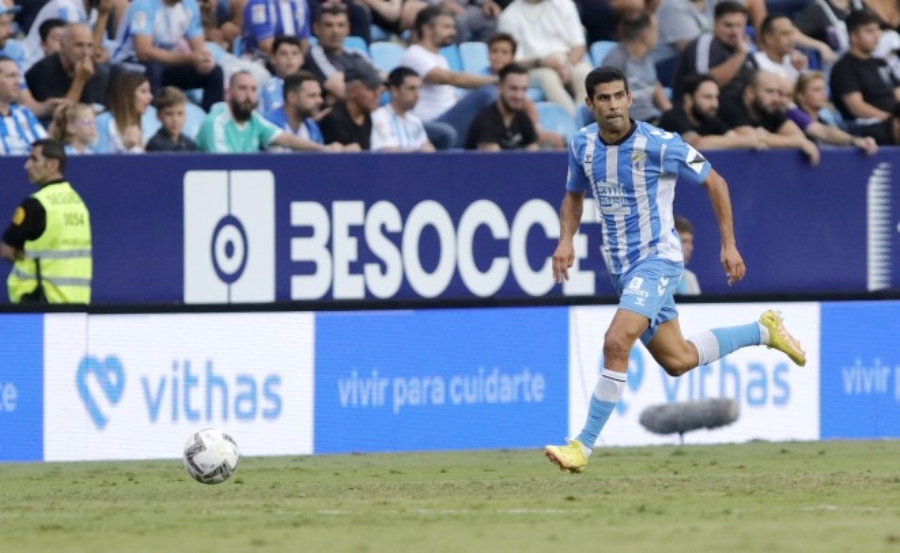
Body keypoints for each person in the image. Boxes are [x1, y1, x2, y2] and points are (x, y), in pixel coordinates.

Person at [543, 66, 806, 474]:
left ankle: (582, 446)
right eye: (604, 99)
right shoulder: (582, 146)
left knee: (616, 341)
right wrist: (565, 241)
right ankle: (763, 330)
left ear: (629, 99)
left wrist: (728, 244)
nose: (613, 105)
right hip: (622, 270)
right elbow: (573, 197)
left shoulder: (659, 144)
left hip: (659, 261)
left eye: (619, 96)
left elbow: (715, 182)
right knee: (678, 359)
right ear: (590, 104)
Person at [1, 138, 91, 304]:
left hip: (41, 302)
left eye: (34, 159)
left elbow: (6, 250)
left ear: (52, 165)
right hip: (77, 304)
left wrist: (23, 255)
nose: (27, 165)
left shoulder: (36, 204)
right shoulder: (78, 203)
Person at [400, 6, 498, 149]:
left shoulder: (440, 58)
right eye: (446, 27)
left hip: (448, 120)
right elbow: (452, 79)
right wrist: (497, 80)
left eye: (453, 27)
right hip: (431, 126)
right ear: (427, 29)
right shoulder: (414, 54)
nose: (453, 32)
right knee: (486, 93)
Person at [111, 0, 225, 112]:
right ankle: (152, 120)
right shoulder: (142, 5)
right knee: (153, 68)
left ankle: (212, 120)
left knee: (214, 71)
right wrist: (189, 58)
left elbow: (199, 48)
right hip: (129, 61)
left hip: (165, 65)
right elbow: (143, 52)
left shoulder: (190, 6)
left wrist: (204, 61)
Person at [497, 0, 592, 116]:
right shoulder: (509, 17)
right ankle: (573, 122)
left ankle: (587, 118)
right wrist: (541, 62)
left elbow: (579, 45)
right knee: (548, 78)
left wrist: (567, 65)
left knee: (585, 73)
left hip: (566, 59)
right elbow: (514, 61)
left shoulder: (565, 4)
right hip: (532, 67)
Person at [197, 70, 330, 152]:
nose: (249, 95)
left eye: (253, 89)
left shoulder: (255, 119)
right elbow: (222, 165)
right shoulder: (215, 122)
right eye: (242, 88)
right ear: (228, 93)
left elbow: (286, 139)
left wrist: (322, 149)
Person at [718, 69, 821, 164]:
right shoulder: (730, 105)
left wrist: (772, 138)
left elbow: (798, 135)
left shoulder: (771, 108)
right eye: (769, 91)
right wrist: (797, 142)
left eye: (777, 92)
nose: (776, 98)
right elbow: (753, 138)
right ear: (750, 93)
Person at [671, 1, 757, 114]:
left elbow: (756, 82)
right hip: (703, 113)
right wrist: (740, 55)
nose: (735, 32)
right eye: (728, 25)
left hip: (738, 109)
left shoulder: (743, 46)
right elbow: (705, 85)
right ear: (715, 24)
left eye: (739, 26)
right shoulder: (705, 43)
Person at [487, 32, 564, 149]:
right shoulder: (477, 77)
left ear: (512, 57)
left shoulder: (520, 84)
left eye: (504, 52)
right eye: (494, 51)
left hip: (518, 131)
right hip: (491, 131)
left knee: (556, 140)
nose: (498, 56)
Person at [25, 23, 113, 121]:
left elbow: (93, 110)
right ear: (62, 46)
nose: (85, 52)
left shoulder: (96, 71)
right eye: (79, 45)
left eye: (89, 46)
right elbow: (62, 118)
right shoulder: (45, 69)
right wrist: (79, 80)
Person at [658, 73, 767, 149]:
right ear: (689, 99)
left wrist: (754, 136)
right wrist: (745, 141)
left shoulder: (708, 116)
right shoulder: (673, 116)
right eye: (707, 97)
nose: (714, 104)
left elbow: (732, 138)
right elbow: (697, 144)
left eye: (716, 97)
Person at [829, 10, 900, 125]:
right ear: (854, 36)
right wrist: (891, 119)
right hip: (867, 125)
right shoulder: (843, 68)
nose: (877, 35)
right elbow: (856, 107)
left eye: (878, 30)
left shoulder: (880, 63)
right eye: (870, 31)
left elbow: (898, 93)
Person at [602, 9, 671, 122]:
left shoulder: (647, 57)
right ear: (645, 37)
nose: (658, 35)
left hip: (651, 120)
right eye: (655, 31)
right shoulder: (616, 61)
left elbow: (653, 84)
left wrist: (670, 112)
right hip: (630, 126)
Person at [785, 71, 878, 153]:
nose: (823, 93)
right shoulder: (793, 114)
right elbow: (823, 132)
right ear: (800, 95)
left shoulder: (824, 121)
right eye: (816, 90)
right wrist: (854, 140)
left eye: (824, 89)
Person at [303, 4, 380, 101]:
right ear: (316, 29)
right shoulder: (313, 54)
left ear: (348, 29)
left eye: (340, 25)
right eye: (328, 25)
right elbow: (341, 90)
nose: (335, 31)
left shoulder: (356, 53)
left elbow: (382, 79)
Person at [263, 70, 350, 151]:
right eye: (312, 96)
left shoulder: (312, 128)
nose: (320, 101)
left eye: (319, 95)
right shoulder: (267, 124)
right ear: (292, 97)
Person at [465, 62, 539, 150]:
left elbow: (533, 153)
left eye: (524, 89)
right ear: (500, 88)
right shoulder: (486, 120)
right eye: (513, 89)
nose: (519, 96)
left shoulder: (523, 117)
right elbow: (494, 161)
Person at [370, 66, 434, 152]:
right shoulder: (377, 117)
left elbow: (428, 150)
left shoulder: (416, 122)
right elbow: (381, 152)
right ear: (394, 90)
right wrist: (417, 151)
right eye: (411, 89)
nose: (417, 94)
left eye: (419, 88)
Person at [318, 64, 381, 149]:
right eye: (370, 89)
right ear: (352, 91)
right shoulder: (334, 118)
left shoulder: (366, 115)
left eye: (378, 90)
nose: (377, 95)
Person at [94, 70, 154, 153]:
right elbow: (97, 161)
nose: (150, 97)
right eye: (143, 91)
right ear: (127, 95)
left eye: (149, 92)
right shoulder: (103, 121)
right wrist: (125, 147)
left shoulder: (146, 124)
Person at [0, 56, 48, 156]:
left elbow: (46, 148)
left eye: (18, 76)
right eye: (11, 76)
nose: (18, 82)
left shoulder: (24, 113)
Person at [241, 0, 311, 60]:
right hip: (260, 59)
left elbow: (304, 41)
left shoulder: (301, 3)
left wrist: (295, 59)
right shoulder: (258, 3)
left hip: (294, 60)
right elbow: (265, 44)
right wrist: (288, 58)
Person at [752, 13, 807, 85]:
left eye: (792, 33)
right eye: (785, 34)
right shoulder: (756, 63)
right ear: (769, 38)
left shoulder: (795, 62)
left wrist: (800, 71)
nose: (791, 39)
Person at [145, 86, 199, 152]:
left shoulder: (190, 144)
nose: (175, 120)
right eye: (169, 114)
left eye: (180, 113)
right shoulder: (155, 145)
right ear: (158, 116)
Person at [260, 36, 305, 112]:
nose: (290, 58)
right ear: (273, 58)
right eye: (283, 54)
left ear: (302, 59)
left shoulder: (309, 85)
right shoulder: (270, 88)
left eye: (294, 53)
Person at [674, 215, 700, 295]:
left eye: (690, 242)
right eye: (684, 241)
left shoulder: (690, 278)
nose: (690, 248)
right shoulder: (653, 278)